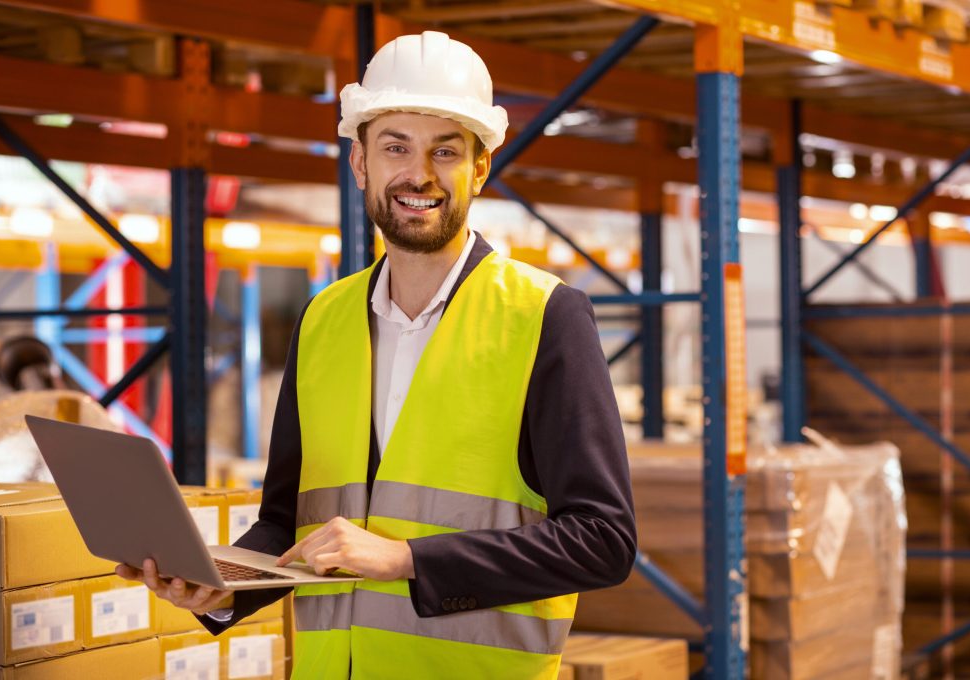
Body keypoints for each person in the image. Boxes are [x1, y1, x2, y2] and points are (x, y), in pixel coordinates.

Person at [118, 31, 636, 679]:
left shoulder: (544, 317)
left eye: (445, 151)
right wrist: (222, 588)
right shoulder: (323, 320)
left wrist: (407, 559)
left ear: (479, 168)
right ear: (360, 164)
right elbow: (287, 523)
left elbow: (603, 542)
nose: (418, 174)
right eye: (395, 147)